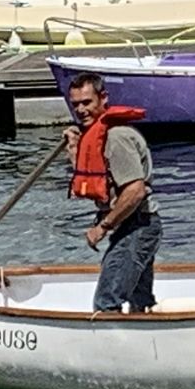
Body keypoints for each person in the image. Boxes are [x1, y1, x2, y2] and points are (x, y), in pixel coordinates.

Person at [63, 73, 161, 313]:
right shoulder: (99, 134)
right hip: (132, 226)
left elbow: (135, 191)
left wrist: (103, 227)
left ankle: (112, 345)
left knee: (106, 302)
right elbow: (98, 177)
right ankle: (146, 340)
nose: (81, 110)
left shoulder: (117, 137)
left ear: (103, 98)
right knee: (140, 301)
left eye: (87, 102)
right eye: (75, 104)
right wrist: (75, 148)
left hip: (138, 226)